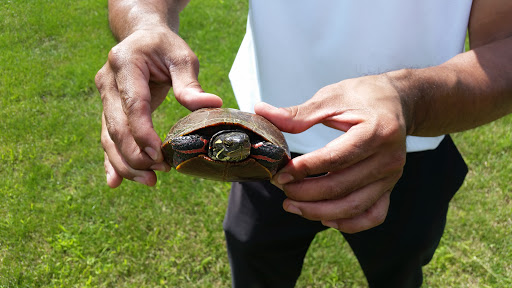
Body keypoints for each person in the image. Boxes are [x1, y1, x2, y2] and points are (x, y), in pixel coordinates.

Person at [95, 0, 512, 287]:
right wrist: (144, 22)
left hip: (407, 148)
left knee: (400, 268)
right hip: (266, 152)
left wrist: (412, 100)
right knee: (254, 259)